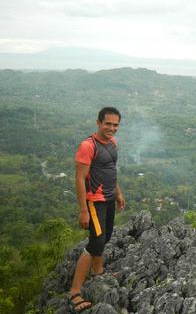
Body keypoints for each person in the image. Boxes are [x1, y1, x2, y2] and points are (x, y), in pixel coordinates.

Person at [69, 107, 126, 312]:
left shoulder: (112, 143)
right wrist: (83, 209)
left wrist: (118, 193)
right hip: (94, 201)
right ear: (98, 123)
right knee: (96, 242)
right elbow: (79, 178)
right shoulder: (88, 145)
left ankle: (99, 272)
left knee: (106, 237)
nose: (111, 128)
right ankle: (75, 292)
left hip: (109, 198)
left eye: (115, 124)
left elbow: (111, 170)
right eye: (108, 123)